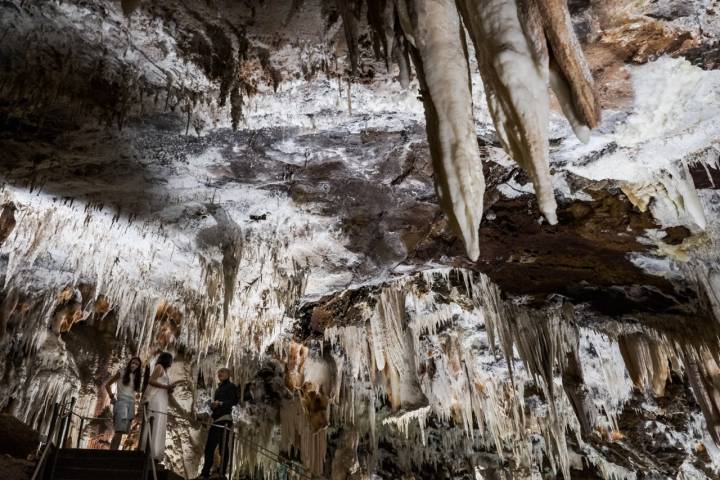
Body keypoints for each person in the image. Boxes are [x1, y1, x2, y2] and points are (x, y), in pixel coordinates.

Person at [200, 367, 239, 480]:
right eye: (218, 372)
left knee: (222, 447)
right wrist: (212, 406)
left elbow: (234, 401)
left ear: (228, 374)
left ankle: (222, 472)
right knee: (209, 448)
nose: (219, 373)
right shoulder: (218, 389)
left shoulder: (231, 386)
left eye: (222, 371)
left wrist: (220, 403)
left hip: (225, 420)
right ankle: (205, 472)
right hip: (217, 420)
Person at [141, 352, 180, 462]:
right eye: (170, 360)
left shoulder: (166, 371)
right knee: (154, 421)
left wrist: (169, 389)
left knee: (159, 423)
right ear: (166, 360)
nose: (171, 362)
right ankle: (146, 450)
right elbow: (151, 380)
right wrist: (166, 386)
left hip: (163, 399)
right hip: (156, 398)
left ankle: (154, 452)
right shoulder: (159, 367)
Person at [105, 357, 142, 450]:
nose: (135, 365)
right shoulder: (121, 372)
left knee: (123, 432)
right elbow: (107, 384)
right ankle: (111, 456)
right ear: (130, 363)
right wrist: (111, 397)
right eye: (133, 363)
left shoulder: (136, 378)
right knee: (119, 431)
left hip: (131, 404)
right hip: (122, 402)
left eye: (137, 364)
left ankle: (114, 453)